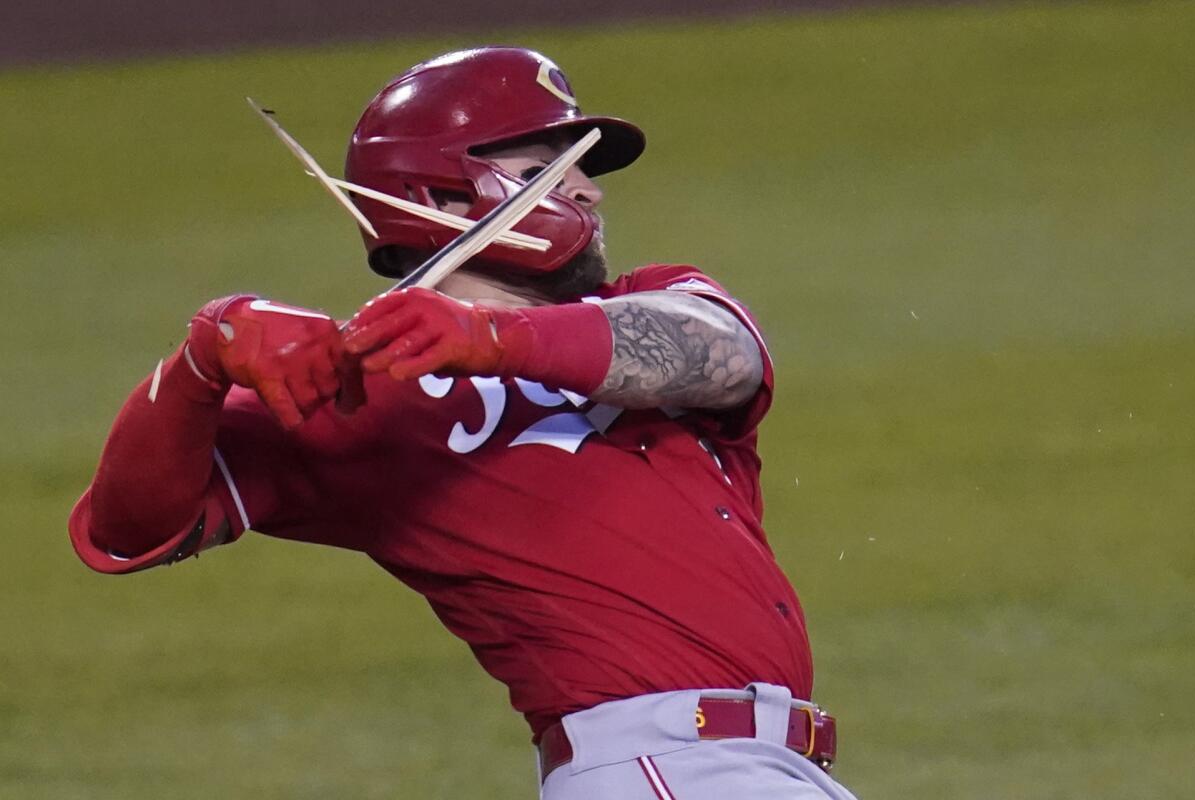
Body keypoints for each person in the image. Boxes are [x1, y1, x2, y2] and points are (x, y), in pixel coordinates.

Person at [69, 47, 859, 799]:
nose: (588, 191)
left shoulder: (643, 301)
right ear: (441, 197)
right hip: (665, 766)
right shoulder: (360, 395)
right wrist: (200, 365)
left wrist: (490, 338)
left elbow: (720, 352)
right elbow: (126, 529)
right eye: (550, 167)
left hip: (769, 768)